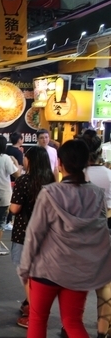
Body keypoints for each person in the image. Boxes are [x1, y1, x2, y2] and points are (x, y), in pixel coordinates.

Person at [19, 140, 111, 338]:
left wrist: (24, 267)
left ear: (60, 163)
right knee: (73, 322)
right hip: (78, 273)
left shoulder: (50, 193)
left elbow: (34, 233)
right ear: (87, 162)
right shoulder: (97, 194)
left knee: (38, 319)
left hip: (46, 269)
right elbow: (101, 232)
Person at [10, 146, 56, 329]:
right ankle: (30, 304)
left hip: (25, 233)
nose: (24, 160)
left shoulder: (24, 181)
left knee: (25, 274)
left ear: (32, 161)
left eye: (26, 157)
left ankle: (34, 313)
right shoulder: (52, 181)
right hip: (47, 234)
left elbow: (15, 208)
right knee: (38, 273)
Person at [79, 130, 111, 338]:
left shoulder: (79, 175)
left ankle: (71, 324)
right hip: (107, 230)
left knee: (77, 283)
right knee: (106, 284)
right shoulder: (109, 174)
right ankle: (103, 330)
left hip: (82, 233)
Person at [0, 135, 20, 257]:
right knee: (0, 223)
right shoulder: (6, 158)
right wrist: (15, 162)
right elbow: (17, 175)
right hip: (3, 195)